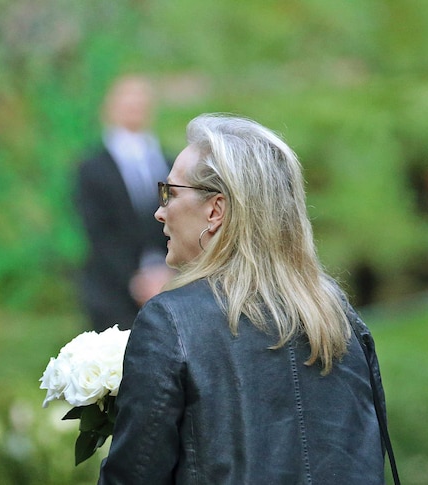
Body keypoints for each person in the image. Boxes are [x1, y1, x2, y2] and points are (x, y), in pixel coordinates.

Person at [99, 114, 395, 484]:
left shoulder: (171, 322)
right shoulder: (339, 317)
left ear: (216, 209)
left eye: (170, 193)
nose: (160, 211)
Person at [75, 74, 175, 332]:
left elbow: (173, 213)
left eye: (140, 102)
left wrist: (167, 272)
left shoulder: (168, 163)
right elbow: (99, 231)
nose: (134, 109)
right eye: (127, 102)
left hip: (169, 284)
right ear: (110, 108)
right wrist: (135, 279)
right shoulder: (92, 169)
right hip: (114, 291)